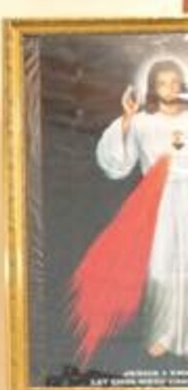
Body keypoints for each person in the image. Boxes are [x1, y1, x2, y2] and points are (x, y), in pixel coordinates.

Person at [70, 56, 188, 362]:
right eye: (162, 82)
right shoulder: (142, 122)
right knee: (160, 267)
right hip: (158, 200)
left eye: (175, 81)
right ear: (152, 87)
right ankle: (162, 335)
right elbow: (117, 163)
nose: (169, 87)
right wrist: (125, 120)